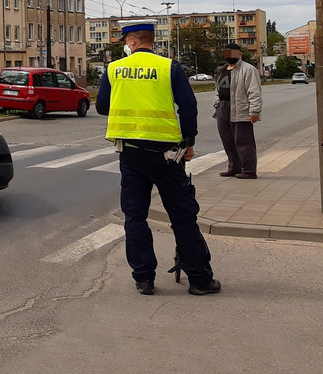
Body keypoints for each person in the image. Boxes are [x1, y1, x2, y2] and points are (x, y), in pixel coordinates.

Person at [97, 19, 220, 296]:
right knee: (183, 216)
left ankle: (144, 278)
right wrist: (188, 141)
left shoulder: (114, 69)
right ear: (153, 40)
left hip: (130, 153)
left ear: (131, 41)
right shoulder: (170, 68)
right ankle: (199, 279)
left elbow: (103, 107)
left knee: (135, 216)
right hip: (167, 155)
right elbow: (188, 106)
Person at [214, 43, 262, 179]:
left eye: (232, 53)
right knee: (227, 140)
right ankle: (234, 167)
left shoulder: (248, 70)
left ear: (239, 54)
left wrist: (254, 111)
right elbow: (217, 89)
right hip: (223, 108)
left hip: (241, 108)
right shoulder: (222, 70)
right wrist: (217, 104)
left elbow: (254, 92)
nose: (229, 56)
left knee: (243, 141)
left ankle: (248, 170)